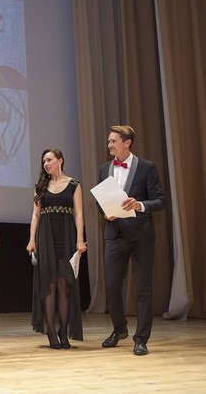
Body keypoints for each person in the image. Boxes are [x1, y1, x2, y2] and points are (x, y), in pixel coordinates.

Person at [98, 125, 164, 356]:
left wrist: (140, 205)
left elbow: (160, 201)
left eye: (113, 141)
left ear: (127, 143)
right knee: (111, 285)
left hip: (141, 236)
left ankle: (141, 339)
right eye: (109, 141)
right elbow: (100, 201)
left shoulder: (147, 167)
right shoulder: (104, 169)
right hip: (114, 235)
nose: (109, 145)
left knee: (143, 287)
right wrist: (105, 212)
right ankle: (119, 330)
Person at [26, 149, 87, 350]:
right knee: (49, 284)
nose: (46, 163)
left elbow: (78, 213)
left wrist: (80, 240)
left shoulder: (74, 184)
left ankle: (63, 331)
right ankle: (51, 331)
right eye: (44, 160)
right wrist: (31, 240)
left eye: (49, 159)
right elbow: (35, 215)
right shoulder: (40, 187)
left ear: (60, 161)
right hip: (46, 236)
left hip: (67, 236)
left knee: (64, 284)